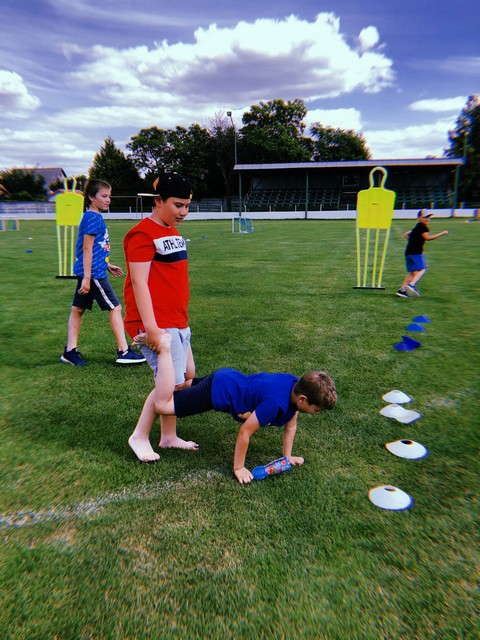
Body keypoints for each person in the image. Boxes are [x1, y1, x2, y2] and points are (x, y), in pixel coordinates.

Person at [133, 332, 337, 483]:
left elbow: (290, 425)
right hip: (217, 391)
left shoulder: (294, 385)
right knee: (163, 404)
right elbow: (244, 433)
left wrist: (287, 457)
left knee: (184, 385)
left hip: (226, 377)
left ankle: (168, 341)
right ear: (302, 399)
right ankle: (163, 348)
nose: (316, 413)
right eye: (316, 410)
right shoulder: (275, 404)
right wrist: (239, 467)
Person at [124, 172, 198, 462]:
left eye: (187, 206)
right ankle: (139, 435)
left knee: (186, 377)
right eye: (178, 205)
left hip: (177, 319)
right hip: (155, 322)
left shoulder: (173, 232)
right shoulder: (142, 234)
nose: (183, 212)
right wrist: (152, 329)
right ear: (158, 201)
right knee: (168, 385)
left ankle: (168, 436)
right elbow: (139, 282)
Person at [60, 179, 146, 367]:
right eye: (104, 196)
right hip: (94, 275)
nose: (108, 200)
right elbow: (86, 249)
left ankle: (69, 352)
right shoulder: (93, 218)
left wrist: (107, 264)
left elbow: (96, 249)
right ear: (91, 197)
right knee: (115, 308)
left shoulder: (92, 216)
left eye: (109, 196)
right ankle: (124, 351)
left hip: (93, 270)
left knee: (77, 310)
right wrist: (88, 278)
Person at [395, 209, 449, 298]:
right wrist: (442, 233)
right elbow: (428, 238)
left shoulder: (416, 227)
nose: (427, 219)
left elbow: (405, 235)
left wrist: (413, 241)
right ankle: (411, 285)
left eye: (429, 217)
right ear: (419, 218)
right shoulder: (423, 227)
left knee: (412, 273)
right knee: (422, 270)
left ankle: (402, 290)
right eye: (425, 217)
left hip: (409, 252)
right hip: (416, 252)